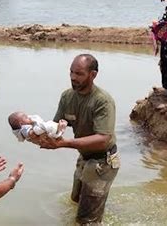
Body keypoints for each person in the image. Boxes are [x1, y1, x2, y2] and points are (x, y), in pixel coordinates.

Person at [30, 54, 120, 225]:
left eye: (79, 74)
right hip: (84, 157)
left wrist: (64, 144)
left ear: (93, 75)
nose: (73, 77)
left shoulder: (102, 101)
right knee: (76, 201)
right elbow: (55, 127)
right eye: (71, 72)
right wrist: (34, 132)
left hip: (103, 161)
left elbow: (103, 139)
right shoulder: (67, 97)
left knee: (86, 220)